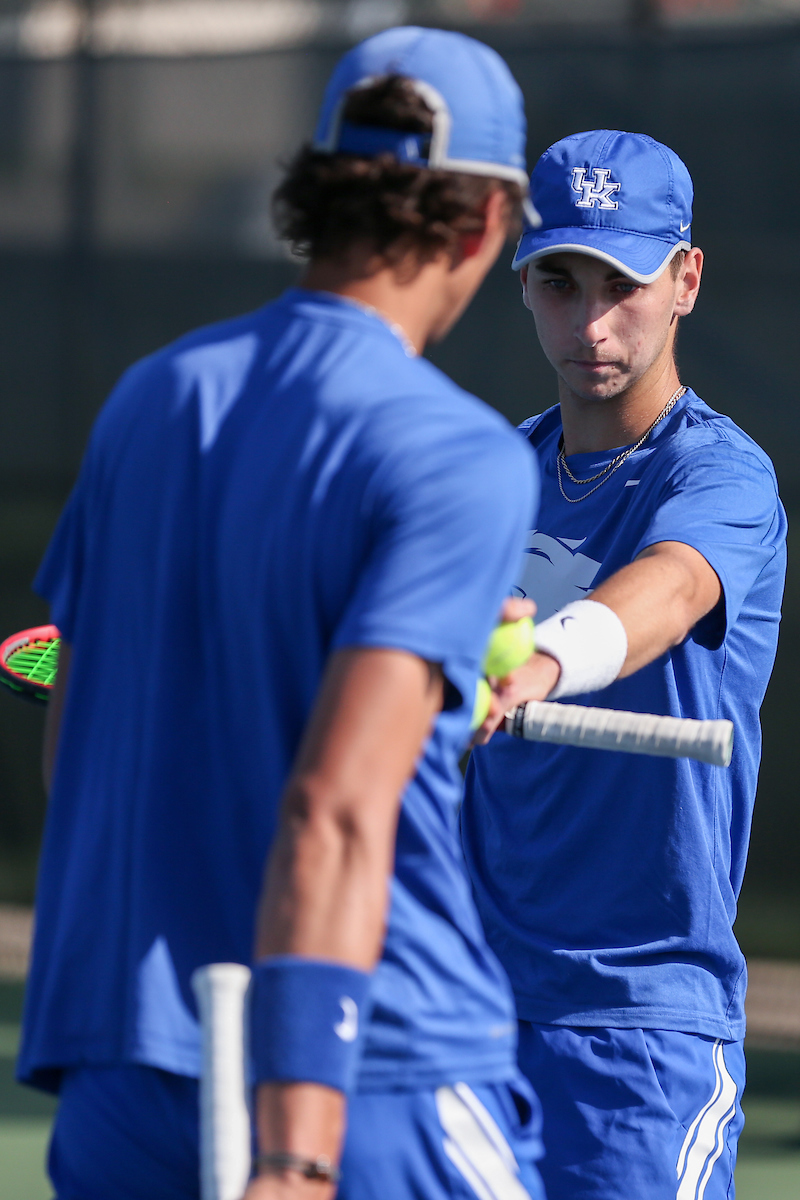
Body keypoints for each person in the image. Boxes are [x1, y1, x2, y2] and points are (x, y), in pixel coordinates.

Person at [17, 27, 547, 1200]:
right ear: (480, 222)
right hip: (361, 1081)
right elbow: (336, 813)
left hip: (128, 1074)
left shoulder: (151, 399)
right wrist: (296, 1155)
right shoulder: (455, 455)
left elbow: (82, 753)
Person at [461, 130, 787, 1200]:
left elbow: (673, 585)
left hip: (637, 1034)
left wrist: (539, 662)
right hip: (455, 1018)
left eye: (623, 283)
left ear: (683, 281)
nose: (591, 320)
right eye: (560, 282)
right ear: (521, 282)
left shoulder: (720, 476)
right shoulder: (488, 480)